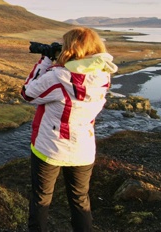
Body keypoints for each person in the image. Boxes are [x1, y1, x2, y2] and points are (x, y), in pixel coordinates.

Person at [21, 27, 118, 232]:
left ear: (71, 49)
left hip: (49, 148)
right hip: (82, 150)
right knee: (80, 200)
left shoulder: (58, 78)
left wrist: (46, 61)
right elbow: (82, 71)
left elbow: (28, 93)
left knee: (41, 198)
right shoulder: (103, 77)